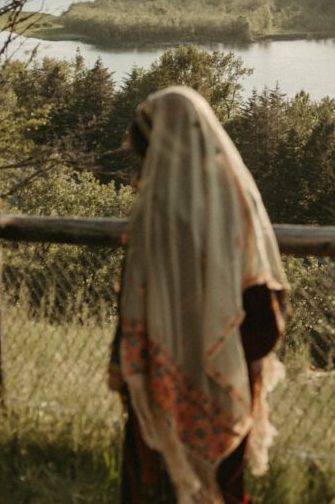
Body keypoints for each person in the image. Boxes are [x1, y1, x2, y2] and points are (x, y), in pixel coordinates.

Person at [108, 86, 290, 504]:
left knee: (154, 482)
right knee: (219, 488)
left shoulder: (155, 214)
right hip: (222, 375)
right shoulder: (237, 206)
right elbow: (264, 308)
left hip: (161, 379)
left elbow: (133, 302)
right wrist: (234, 357)